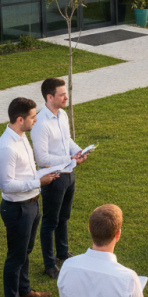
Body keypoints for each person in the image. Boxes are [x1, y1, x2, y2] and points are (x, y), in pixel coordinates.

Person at [0, 97, 60, 297]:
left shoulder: (21, 137)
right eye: (33, 117)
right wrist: (38, 182)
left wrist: (40, 176)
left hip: (31, 204)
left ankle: (24, 290)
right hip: (17, 209)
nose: (36, 120)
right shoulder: (6, 147)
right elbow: (7, 185)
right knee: (16, 257)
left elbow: (25, 172)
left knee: (26, 251)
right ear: (20, 119)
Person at [32, 77, 89, 279]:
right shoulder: (40, 123)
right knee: (50, 222)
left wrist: (78, 151)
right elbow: (42, 158)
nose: (66, 97)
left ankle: (62, 253)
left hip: (68, 175)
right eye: (62, 94)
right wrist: (69, 159)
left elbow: (67, 140)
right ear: (49, 97)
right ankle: (50, 265)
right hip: (53, 179)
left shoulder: (62, 115)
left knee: (63, 218)